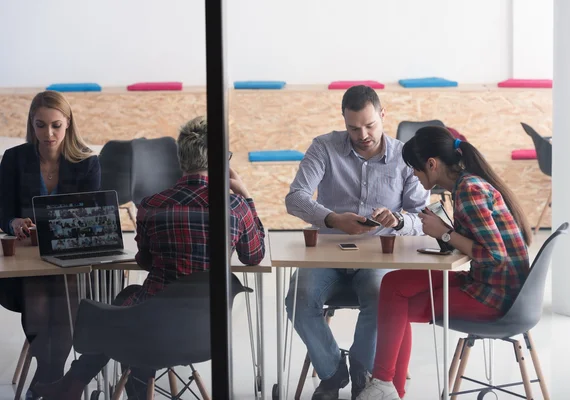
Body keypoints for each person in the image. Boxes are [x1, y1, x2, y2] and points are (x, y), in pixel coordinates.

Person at [35, 116, 266, 400]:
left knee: (124, 304)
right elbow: (254, 256)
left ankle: (80, 381)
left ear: (181, 158)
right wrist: (247, 196)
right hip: (207, 331)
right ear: (221, 160)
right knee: (127, 303)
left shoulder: (151, 205)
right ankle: (76, 383)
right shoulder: (235, 206)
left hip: (152, 326)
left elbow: (145, 261)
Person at [356, 126, 532, 400]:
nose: (413, 174)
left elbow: (494, 256)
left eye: (415, 168)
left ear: (432, 164)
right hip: (486, 282)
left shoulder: (469, 190)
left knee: (396, 303)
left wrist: (444, 232)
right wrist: (445, 231)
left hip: (495, 296)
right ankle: (388, 387)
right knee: (393, 284)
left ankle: (385, 386)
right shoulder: (467, 184)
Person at [285, 85, 429, 400]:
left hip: (380, 255)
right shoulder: (323, 147)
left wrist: (400, 221)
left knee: (383, 298)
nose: (362, 134)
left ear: (383, 116)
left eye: (370, 125)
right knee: (297, 298)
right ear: (344, 122)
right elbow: (295, 199)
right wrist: (334, 219)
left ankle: (362, 376)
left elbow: (424, 217)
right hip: (326, 253)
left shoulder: (404, 157)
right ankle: (332, 372)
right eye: (353, 128)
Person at [0, 90, 100, 399]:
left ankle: (47, 380)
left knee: (65, 302)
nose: (48, 133)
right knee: (40, 303)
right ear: (31, 125)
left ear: (68, 124)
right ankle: (55, 381)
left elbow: (91, 219)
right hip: (28, 260)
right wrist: (13, 223)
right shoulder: (14, 158)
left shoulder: (86, 162)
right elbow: (3, 210)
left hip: (70, 259)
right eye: (40, 125)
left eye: (56, 125)